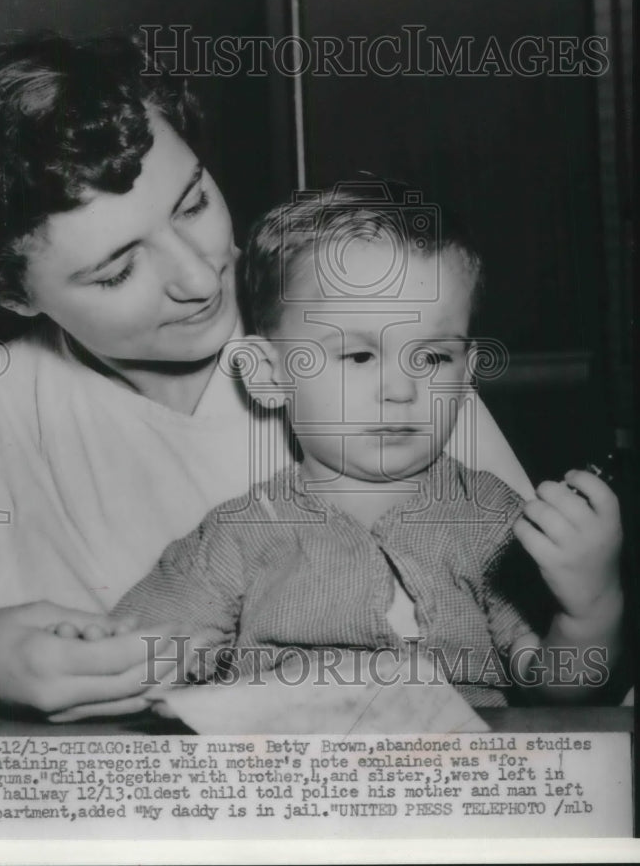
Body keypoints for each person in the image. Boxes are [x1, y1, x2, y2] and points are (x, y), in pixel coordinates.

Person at [0, 35, 534, 722]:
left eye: (192, 204)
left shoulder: (358, 330)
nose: (199, 277)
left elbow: (548, 640)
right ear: (12, 295)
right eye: (116, 271)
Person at [101, 187, 623, 707]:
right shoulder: (236, 537)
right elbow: (132, 663)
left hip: (458, 780)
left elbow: (559, 694)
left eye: (433, 359)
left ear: (466, 376)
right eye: (356, 356)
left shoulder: (493, 522)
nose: (400, 389)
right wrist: (138, 663)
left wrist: (590, 607)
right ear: (268, 374)